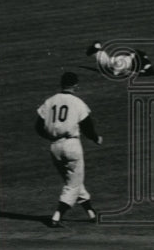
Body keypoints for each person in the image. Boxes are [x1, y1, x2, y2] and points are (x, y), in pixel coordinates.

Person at [35, 71, 103, 228]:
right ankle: (57, 216)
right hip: (72, 146)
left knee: (74, 181)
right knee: (72, 185)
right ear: (76, 85)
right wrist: (95, 138)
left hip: (54, 147)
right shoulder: (77, 102)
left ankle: (91, 213)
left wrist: (51, 137)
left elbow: (38, 126)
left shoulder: (50, 101)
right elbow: (87, 127)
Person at [85, 42, 154, 78]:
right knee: (108, 65)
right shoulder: (143, 62)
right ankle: (96, 49)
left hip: (119, 61)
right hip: (120, 62)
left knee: (107, 64)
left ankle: (96, 49)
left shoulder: (142, 60)